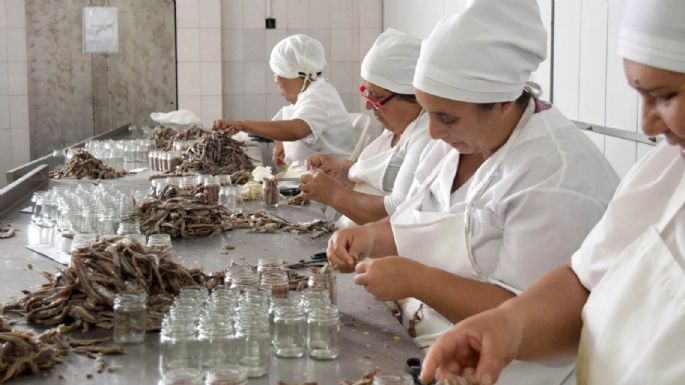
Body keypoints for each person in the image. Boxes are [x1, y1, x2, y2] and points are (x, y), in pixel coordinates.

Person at [327, 0, 619, 383]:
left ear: (500, 102)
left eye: (446, 117)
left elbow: (527, 317)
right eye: (428, 112)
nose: (432, 132)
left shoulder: (556, 177)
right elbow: (414, 220)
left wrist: (418, 280)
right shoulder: (451, 143)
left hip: (504, 372)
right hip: (428, 347)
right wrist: (367, 236)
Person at [418, 0, 685, 384]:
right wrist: (507, 328)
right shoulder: (664, 171)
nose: (646, 124)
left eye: (665, 97)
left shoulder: (560, 171)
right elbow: (584, 281)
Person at [299, 29, 432, 227]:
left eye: (377, 97)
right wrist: (344, 169)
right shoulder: (396, 128)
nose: (368, 106)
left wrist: (334, 194)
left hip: (374, 252)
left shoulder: (427, 135)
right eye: (366, 93)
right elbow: (380, 183)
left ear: (415, 97)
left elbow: (399, 214)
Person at [213, 34, 355, 170]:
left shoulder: (318, 95)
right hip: (312, 175)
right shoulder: (313, 92)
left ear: (291, 73)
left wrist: (242, 124)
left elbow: (296, 129)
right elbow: (286, 123)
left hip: (328, 180)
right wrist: (280, 142)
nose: (276, 80)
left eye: (278, 77)